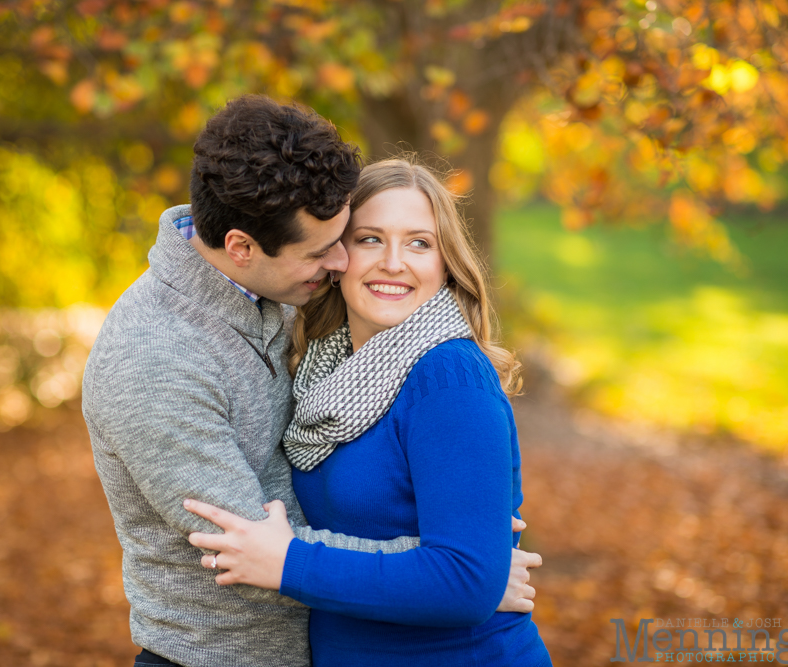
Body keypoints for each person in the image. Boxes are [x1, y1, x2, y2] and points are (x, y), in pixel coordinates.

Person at [82, 96, 540, 667]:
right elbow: (250, 547)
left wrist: (466, 571)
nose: (343, 264)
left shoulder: (315, 317)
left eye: (419, 242)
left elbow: (292, 551)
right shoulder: (158, 357)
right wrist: (464, 574)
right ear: (241, 248)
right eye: (355, 242)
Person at [184, 157, 553, 666]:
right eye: (370, 239)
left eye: (419, 243)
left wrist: (290, 565)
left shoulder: (448, 378)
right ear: (336, 257)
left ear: (445, 263)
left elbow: (465, 581)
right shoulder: (319, 370)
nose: (394, 262)